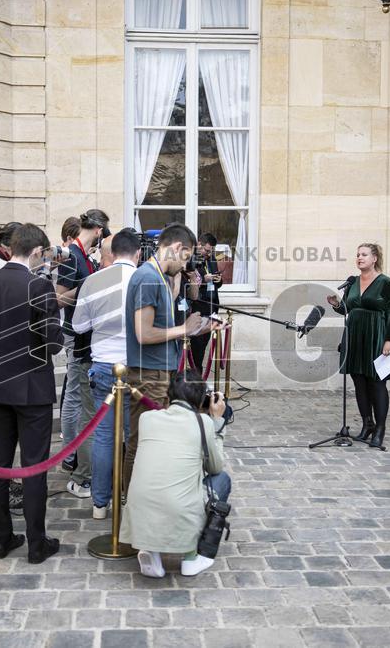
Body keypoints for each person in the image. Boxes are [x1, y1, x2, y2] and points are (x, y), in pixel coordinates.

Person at [0, 223, 64, 564]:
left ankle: (2, 539)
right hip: (33, 388)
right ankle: (36, 543)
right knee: (34, 466)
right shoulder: (39, 286)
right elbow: (54, 343)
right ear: (37, 252)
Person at [122, 223, 221, 493]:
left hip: (159, 371)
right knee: (141, 442)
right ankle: (131, 503)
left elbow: (168, 317)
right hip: (147, 374)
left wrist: (198, 327)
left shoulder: (160, 277)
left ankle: (147, 497)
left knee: (154, 441)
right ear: (177, 248)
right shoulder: (147, 278)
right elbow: (143, 333)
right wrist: (184, 329)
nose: (187, 265)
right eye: (187, 257)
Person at [120, 370, 230, 578]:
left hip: (142, 507)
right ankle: (191, 557)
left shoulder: (147, 418)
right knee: (222, 480)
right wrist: (216, 423)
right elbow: (215, 468)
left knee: (161, 482)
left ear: (169, 395)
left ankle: (150, 550)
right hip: (178, 508)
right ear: (201, 398)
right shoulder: (203, 423)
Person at [71, 228, 140, 519]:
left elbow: (78, 326)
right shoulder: (146, 279)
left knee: (103, 435)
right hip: (135, 367)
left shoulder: (93, 281)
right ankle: (129, 496)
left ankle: (100, 503)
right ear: (137, 253)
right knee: (134, 435)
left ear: (111, 254)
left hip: (102, 365)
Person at [55, 210, 110, 498]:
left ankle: (75, 454)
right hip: (75, 334)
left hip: (85, 334)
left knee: (79, 397)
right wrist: (88, 287)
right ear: (99, 230)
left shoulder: (83, 255)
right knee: (74, 396)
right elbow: (59, 296)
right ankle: (70, 455)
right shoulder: (71, 255)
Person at [326, 243, 390, 449]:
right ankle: (368, 424)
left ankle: (380, 429)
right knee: (359, 381)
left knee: (376, 382)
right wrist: (338, 305)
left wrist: (389, 339)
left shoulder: (385, 282)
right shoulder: (353, 282)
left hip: (376, 335)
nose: (360, 258)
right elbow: (349, 309)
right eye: (358, 254)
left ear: (374, 258)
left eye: (364, 254)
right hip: (355, 335)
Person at [188, 233, 221, 370]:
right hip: (198, 308)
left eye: (211, 251)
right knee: (196, 348)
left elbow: (215, 281)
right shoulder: (192, 259)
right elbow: (189, 283)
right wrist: (203, 278)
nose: (208, 254)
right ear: (199, 244)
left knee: (203, 348)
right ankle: (196, 380)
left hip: (212, 308)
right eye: (206, 250)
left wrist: (219, 281)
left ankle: (198, 379)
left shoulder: (212, 259)